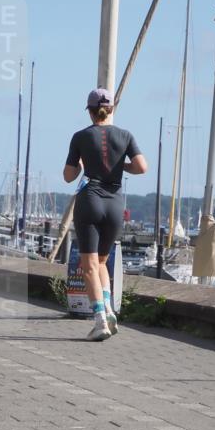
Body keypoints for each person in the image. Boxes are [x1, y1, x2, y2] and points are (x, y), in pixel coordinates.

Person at [63, 87, 147, 341]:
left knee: (89, 265)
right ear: (111, 109)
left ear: (90, 111)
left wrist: (82, 163)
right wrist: (121, 165)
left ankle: (100, 319)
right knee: (101, 262)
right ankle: (109, 309)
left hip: (90, 200)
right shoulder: (126, 135)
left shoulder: (80, 137)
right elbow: (142, 167)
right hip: (115, 203)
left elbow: (68, 176)